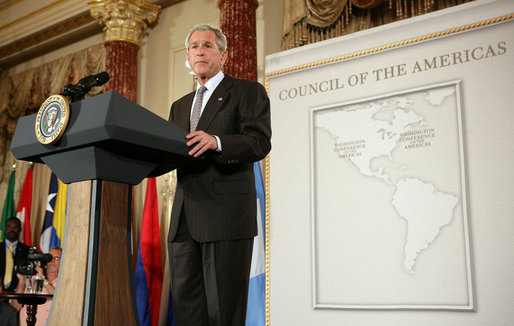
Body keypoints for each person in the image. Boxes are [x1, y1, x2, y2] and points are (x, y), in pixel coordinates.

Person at [167, 24, 271, 326]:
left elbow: (259, 142)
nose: (200, 50)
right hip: (184, 219)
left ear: (223, 55)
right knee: (188, 313)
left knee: (223, 313)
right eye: (194, 46)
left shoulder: (246, 91)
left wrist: (218, 141)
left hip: (225, 218)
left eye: (207, 45)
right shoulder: (179, 106)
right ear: (188, 57)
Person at [10, 247, 62, 326]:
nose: (52, 260)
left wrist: (43, 280)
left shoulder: (64, 282)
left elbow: (59, 301)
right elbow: (15, 307)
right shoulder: (32, 279)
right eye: (49, 257)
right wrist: (21, 281)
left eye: (57, 258)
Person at [0, 217, 30, 326]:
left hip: (18, 295)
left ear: (20, 229)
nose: (11, 229)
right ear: (4, 228)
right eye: (9, 226)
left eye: (15, 226)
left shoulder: (27, 250)